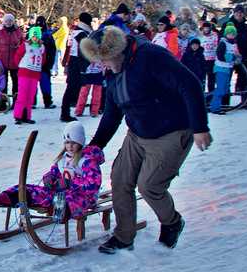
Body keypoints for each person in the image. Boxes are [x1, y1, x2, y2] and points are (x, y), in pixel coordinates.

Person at [79, 26, 212, 254]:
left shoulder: (151, 56)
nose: (103, 65)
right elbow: (112, 114)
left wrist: (200, 127)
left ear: (117, 51)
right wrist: (94, 146)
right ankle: (123, 237)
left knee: (150, 185)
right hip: (137, 133)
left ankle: (172, 221)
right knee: (120, 180)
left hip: (171, 131)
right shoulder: (113, 72)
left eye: (105, 59)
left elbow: (189, 85)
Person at [0, 121, 104, 220]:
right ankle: (2, 198)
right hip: (59, 193)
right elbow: (54, 173)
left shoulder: (87, 161)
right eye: (67, 143)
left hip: (83, 198)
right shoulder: (63, 160)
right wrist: (49, 178)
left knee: (65, 198)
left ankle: (59, 212)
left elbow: (93, 184)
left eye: (73, 143)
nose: (70, 146)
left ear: (80, 142)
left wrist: (70, 183)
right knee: (30, 189)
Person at [222, 5, 247, 109]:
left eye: (241, 12)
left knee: (245, 79)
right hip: (229, 57)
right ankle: (224, 102)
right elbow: (222, 40)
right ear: (234, 13)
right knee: (226, 80)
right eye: (237, 12)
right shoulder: (227, 25)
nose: (239, 14)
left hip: (243, 57)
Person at [60, 12, 92, 122]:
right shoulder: (82, 33)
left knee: (71, 88)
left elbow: (69, 47)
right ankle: (65, 113)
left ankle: (66, 111)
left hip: (72, 61)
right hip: (77, 62)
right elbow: (84, 50)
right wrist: (86, 63)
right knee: (71, 88)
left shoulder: (74, 31)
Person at [13, 26, 45, 124]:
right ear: (30, 36)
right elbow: (18, 56)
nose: (35, 38)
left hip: (35, 74)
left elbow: (43, 60)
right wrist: (20, 65)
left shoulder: (42, 47)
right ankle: (18, 116)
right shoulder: (25, 45)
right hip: (25, 72)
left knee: (30, 96)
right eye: (33, 36)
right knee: (22, 95)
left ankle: (27, 116)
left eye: (37, 36)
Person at [209, 24, 241, 115]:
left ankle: (215, 103)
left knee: (226, 88)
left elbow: (237, 54)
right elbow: (220, 56)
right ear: (226, 34)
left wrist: (238, 58)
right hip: (221, 68)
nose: (231, 35)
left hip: (228, 68)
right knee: (221, 89)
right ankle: (214, 107)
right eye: (229, 33)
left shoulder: (234, 43)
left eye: (233, 34)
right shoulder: (223, 43)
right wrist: (232, 58)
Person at [0, 13, 22, 99]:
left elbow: (23, 45)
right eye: (6, 21)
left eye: (10, 21)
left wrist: (19, 53)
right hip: (2, 62)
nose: (8, 22)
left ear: (13, 22)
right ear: (4, 22)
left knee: (16, 82)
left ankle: (16, 101)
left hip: (15, 62)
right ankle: (3, 101)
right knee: (3, 83)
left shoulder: (18, 32)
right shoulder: (0, 32)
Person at [37, 16, 57, 109]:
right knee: (42, 83)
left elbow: (52, 50)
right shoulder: (36, 33)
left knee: (45, 83)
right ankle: (45, 101)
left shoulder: (47, 35)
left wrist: (50, 62)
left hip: (44, 63)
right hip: (36, 62)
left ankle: (47, 101)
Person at [200, 22, 218, 93]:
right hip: (203, 59)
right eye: (205, 28)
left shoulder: (215, 35)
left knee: (211, 78)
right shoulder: (200, 36)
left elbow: (217, 46)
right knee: (202, 78)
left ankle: (211, 94)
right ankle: (202, 93)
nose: (206, 29)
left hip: (212, 59)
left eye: (208, 28)